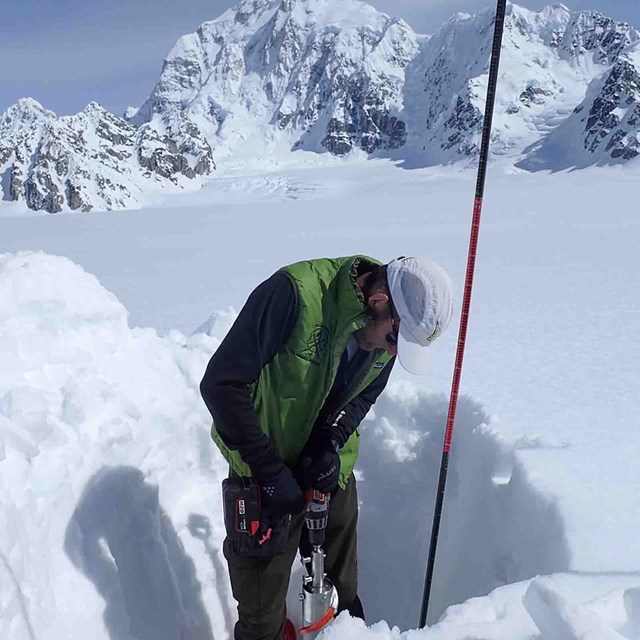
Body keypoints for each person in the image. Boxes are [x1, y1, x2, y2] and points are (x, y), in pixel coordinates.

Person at [200, 255, 454, 640]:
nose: (392, 353)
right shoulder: (293, 295)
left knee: (343, 597)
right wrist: (269, 472)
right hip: (262, 474)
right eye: (393, 338)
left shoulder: (386, 340)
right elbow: (221, 384)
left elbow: (363, 395)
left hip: (327, 469)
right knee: (260, 619)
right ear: (379, 300)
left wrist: (330, 440)